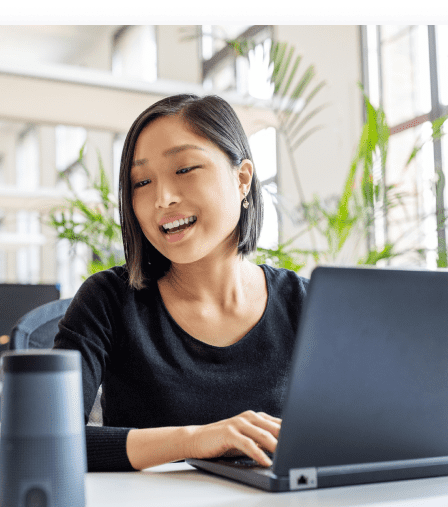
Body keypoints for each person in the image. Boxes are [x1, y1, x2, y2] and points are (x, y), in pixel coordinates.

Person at [53, 93, 309, 471]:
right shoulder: (107, 301)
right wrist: (194, 440)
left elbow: (361, 428)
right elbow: (48, 438)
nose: (163, 198)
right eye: (142, 181)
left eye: (185, 169)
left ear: (242, 179)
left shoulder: (305, 303)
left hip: (287, 506)